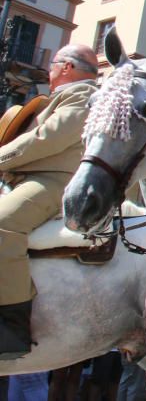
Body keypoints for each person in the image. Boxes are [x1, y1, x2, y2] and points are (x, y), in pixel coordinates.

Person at [0, 44, 99, 357]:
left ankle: (12, 326)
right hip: (27, 178)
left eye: (54, 63)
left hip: (54, 181)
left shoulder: (83, 94)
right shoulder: (61, 95)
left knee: (3, 225)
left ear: (67, 67)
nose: (50, 70)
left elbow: (49, 136)